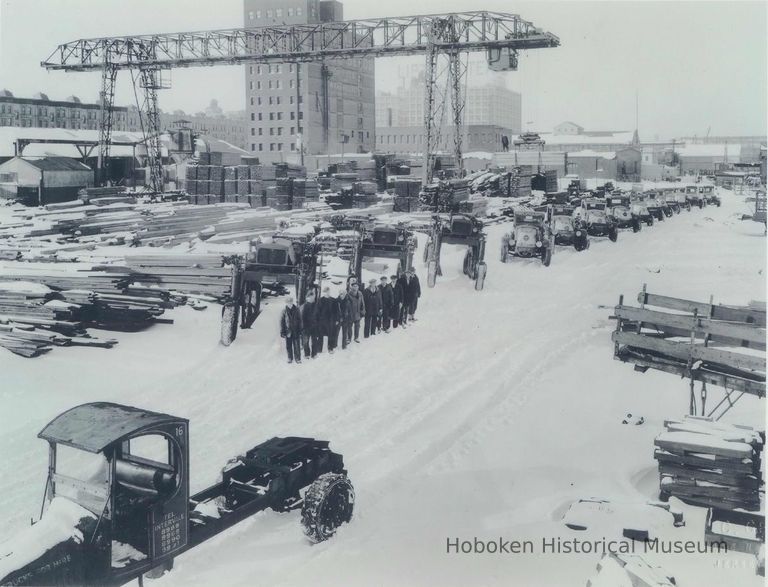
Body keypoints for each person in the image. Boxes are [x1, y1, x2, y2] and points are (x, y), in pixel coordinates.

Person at [316, 286, 340, 354]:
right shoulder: (320, 300)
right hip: (322, 321)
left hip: (331, 320)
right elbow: (317, 311)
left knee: (331, 334)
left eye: (328, 291)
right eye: (325, 292)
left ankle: (330, 348)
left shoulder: (333, 300)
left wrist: (337, 319)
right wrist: (317, 320)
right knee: (320, 335)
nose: (327, 293)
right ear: (324, 292)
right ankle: (319, 349)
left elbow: (337, 311)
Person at [279, 296, 302, 364]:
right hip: (288, 331)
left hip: (296, 331)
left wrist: (300, 330)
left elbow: (300, 320)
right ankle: (290, 358)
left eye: (291, 302)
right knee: (288, 346)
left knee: (297, 345)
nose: (290, 304)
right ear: (286, 303)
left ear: (292, 302)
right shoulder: (284, 311)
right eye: (288, 303)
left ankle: (298, 358)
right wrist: (282, 331)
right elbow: (281, 322)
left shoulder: (297, 310)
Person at [300, 291, 318, 358]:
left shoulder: (315, 305)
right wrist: (303, 328)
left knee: (314, 341)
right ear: (307, 298)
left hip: (314, 327)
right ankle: (307, 354)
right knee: (305, 342)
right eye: (311, 297)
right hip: (306, 327)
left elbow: (318, 316)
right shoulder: (303, 306)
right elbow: (301, 318)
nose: (313, 299)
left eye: (313, 297)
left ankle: (314, 354)